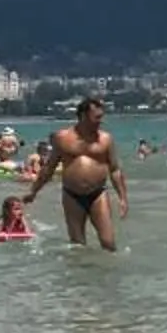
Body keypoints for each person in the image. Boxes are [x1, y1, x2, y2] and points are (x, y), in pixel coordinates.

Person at [22, 95, 126, 250]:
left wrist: (123, 198)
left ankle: (107, 272)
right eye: (96, 117)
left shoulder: (105, 139)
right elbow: (49, 168)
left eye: (101, 117)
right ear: (83, 116)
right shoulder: (62, 138)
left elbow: (115, 170)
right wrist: (33, 191)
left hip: (98, 194)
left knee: (108, 242)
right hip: (72, 195)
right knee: (78, 246)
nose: (100, 121)